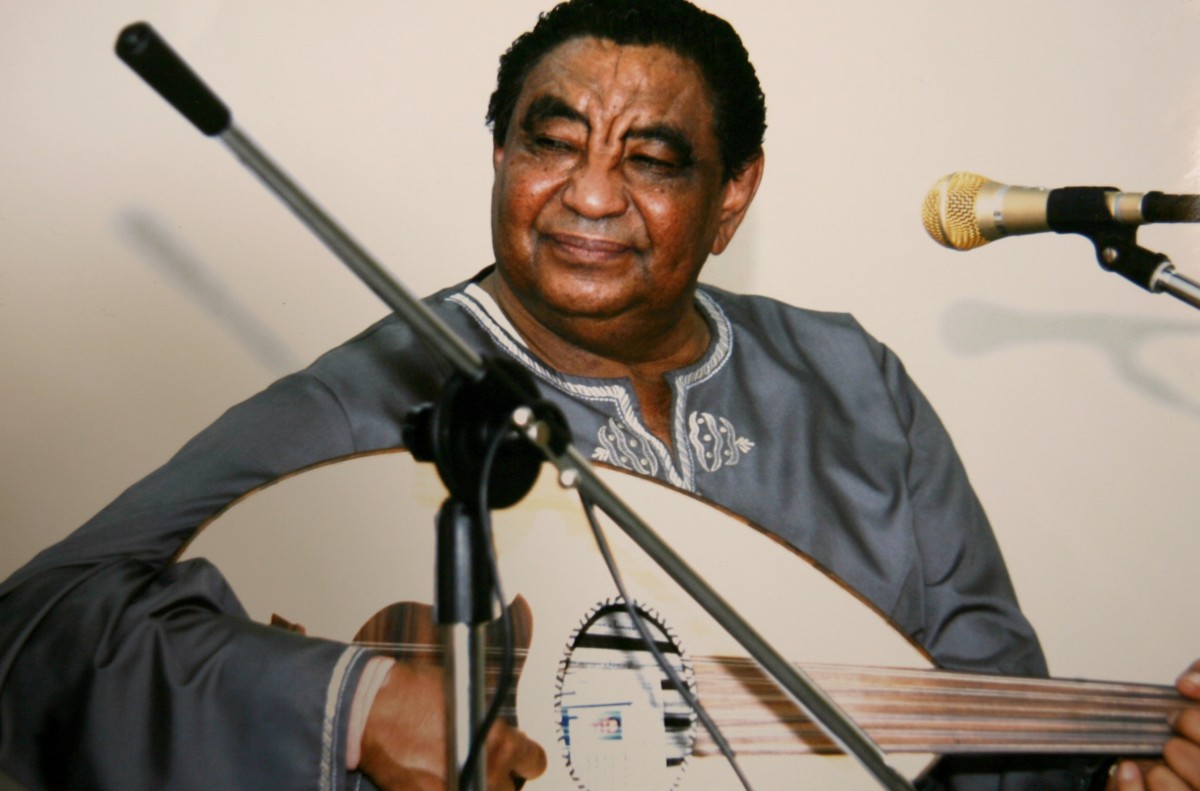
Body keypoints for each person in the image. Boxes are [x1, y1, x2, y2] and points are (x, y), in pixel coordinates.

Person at [1, 0, 1198, 789]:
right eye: (551, 141)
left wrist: (1117, 773)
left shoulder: (855, 383)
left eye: (653, 158)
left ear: (732, 197)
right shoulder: (383, 388)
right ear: (501, 158)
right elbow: (34, 625)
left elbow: (991, 716)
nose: (588, 194)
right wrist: (351, 699)